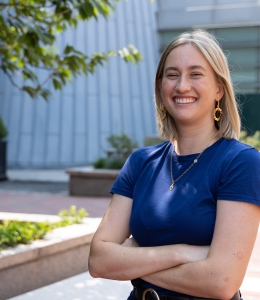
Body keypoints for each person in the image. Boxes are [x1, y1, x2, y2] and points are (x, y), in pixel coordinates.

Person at [88, 29, 260, 300]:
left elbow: (222, 282)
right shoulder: (141, 162)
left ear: (219, 89)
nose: (182, 86)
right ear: (160, 86)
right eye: (172, 74)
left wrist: (133, 260)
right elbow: (98, 260)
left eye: (195, 74)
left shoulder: (240, 162)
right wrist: (181, 252)